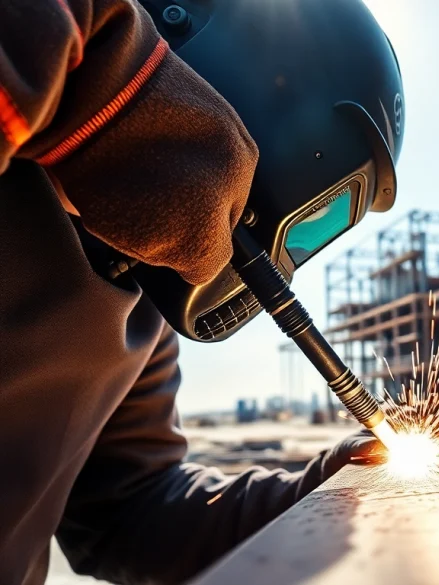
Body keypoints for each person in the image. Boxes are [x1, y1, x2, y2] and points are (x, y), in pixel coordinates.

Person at [0, 1, 397, 583]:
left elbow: (130, 510)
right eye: (305, 219)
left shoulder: (139, 310)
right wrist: (112, 81)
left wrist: (320, 491)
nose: (276, 275)